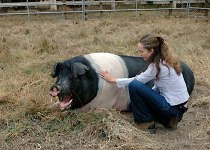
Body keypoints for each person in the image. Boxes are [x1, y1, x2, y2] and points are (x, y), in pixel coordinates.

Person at [99, 34, 189, 131]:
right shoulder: (166, 61)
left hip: (173, 108)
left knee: (134, 86)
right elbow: (161, 86)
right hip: (180, 107)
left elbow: (136, 81)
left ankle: (146, 123)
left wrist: (113, 80)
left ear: (151, 51)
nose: (139, 53)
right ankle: (168, 121)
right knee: (133, 105)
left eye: (141, 51)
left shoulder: (156, 66)